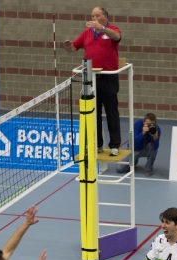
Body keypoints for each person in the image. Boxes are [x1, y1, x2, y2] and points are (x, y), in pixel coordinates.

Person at [64, 7, 121, 156]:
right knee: (94, 113)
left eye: (97, 15)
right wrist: (68, 47)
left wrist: (102, 29)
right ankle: (98, 144)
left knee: (111, 112)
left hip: (108, 77)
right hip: (91, 78)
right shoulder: (87, 33)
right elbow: (73, 47)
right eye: (92, 16)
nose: (94, 18)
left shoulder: (112, 29)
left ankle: (115, 145)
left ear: (105, 17)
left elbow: (116, 37)